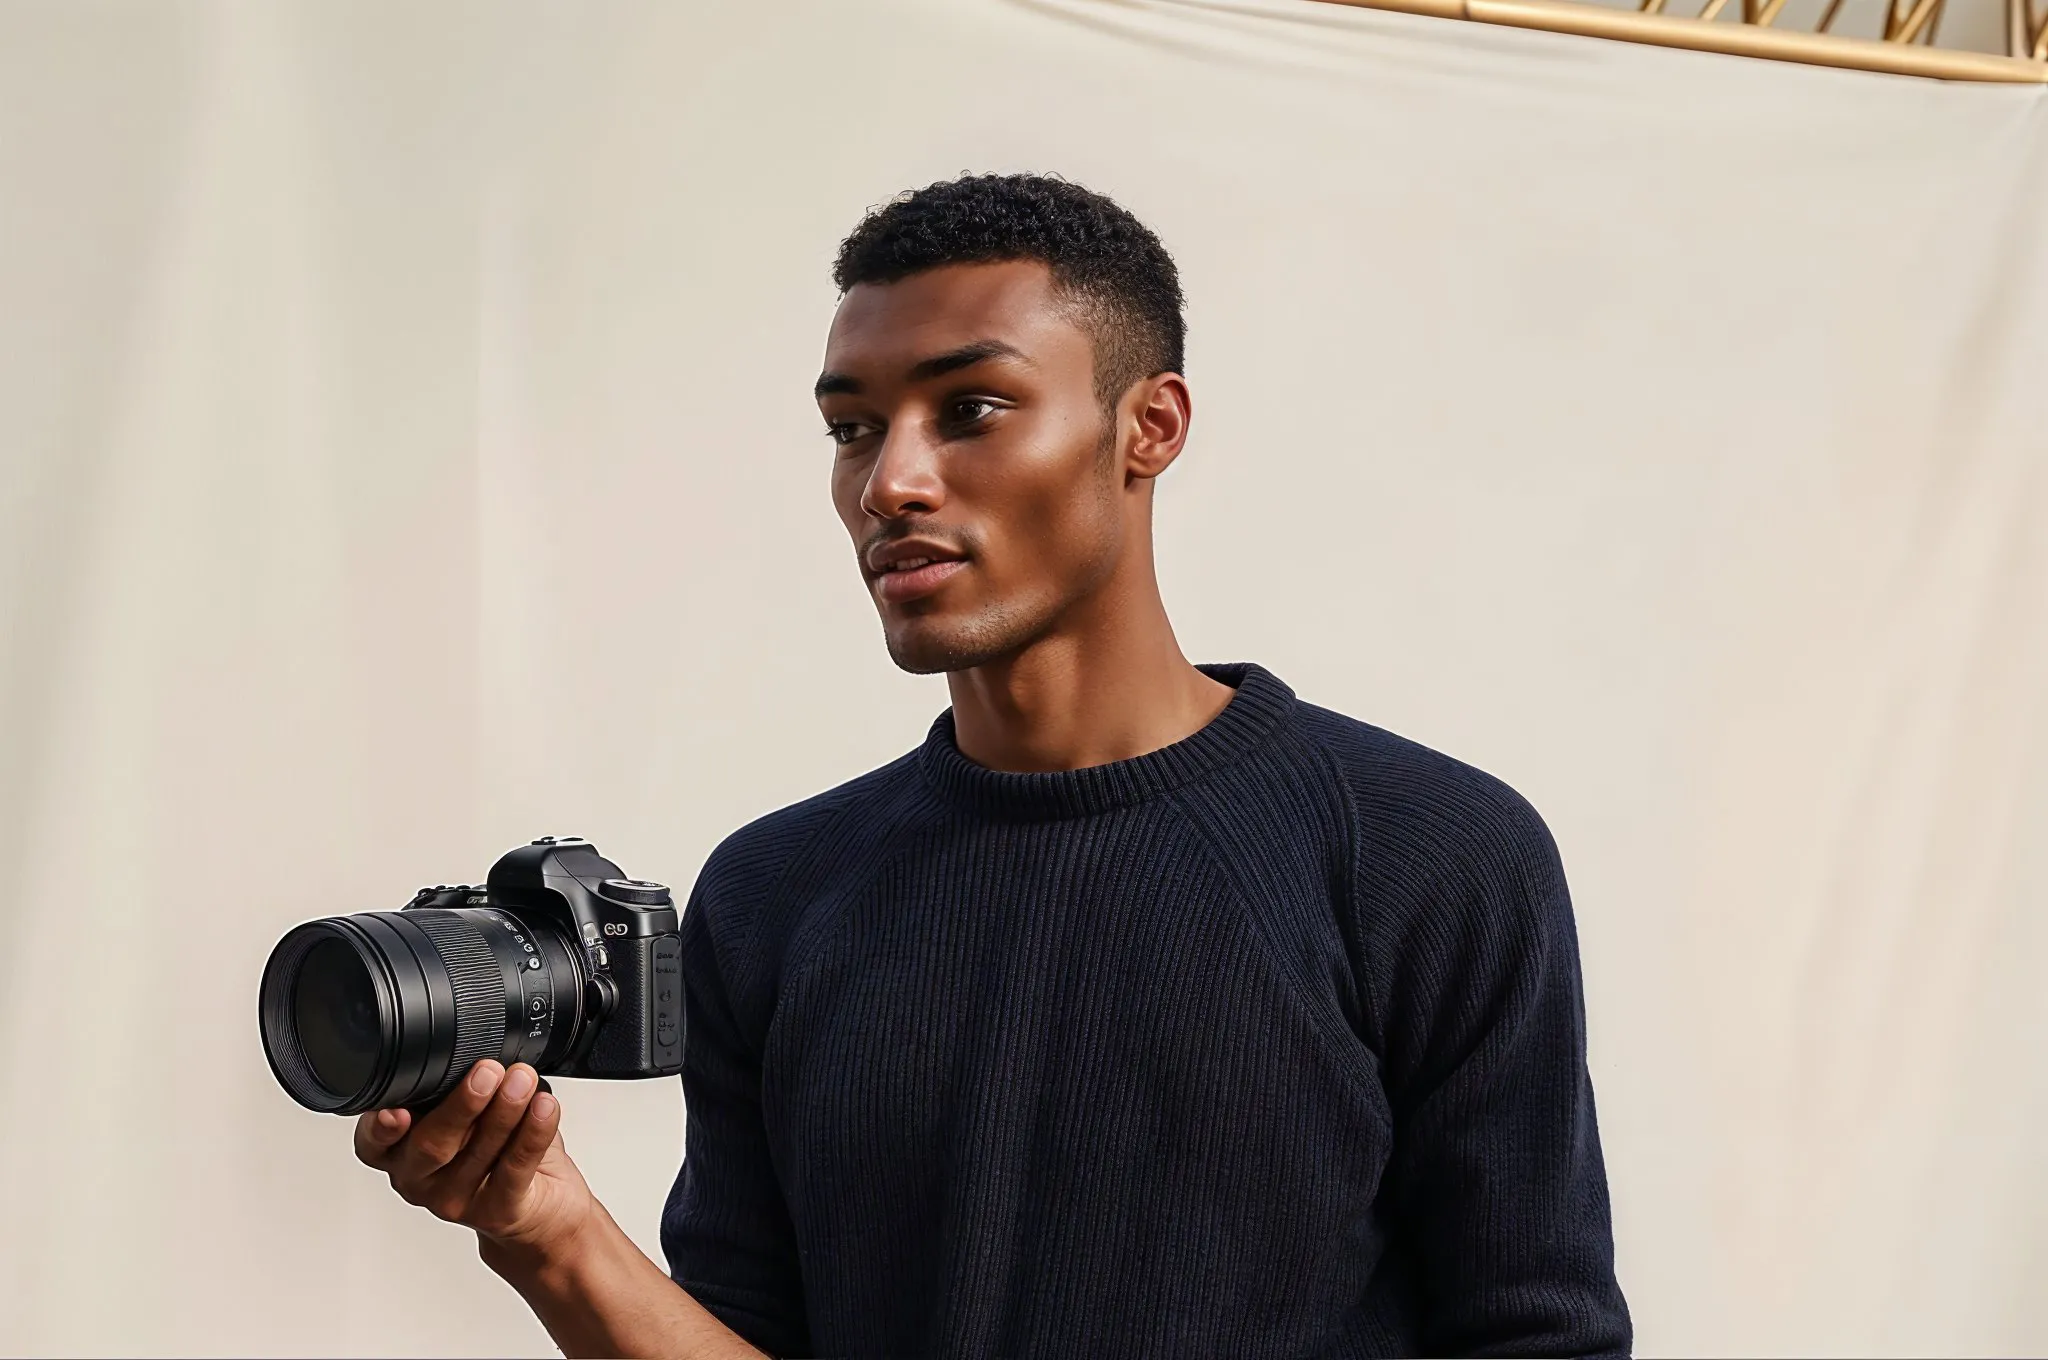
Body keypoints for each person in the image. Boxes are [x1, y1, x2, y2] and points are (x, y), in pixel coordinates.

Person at [353, 173, 1631, 1359]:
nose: (889, 482)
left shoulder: (1427, 853)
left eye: (969, 409)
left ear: (1149, 426)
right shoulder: (773, 892)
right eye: (853, 429)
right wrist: (546, 1232)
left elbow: (1535, 1338)